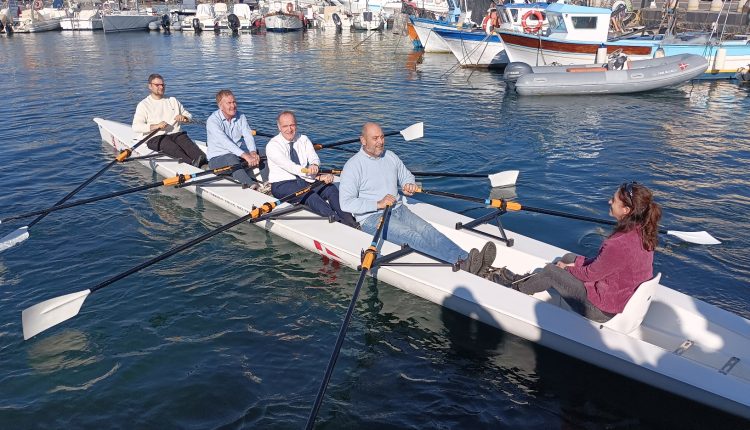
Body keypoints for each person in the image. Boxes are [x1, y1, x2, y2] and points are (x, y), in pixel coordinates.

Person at [489, 182, 662, 323]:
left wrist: (566, 269)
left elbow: (590, 275)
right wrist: (572, 263)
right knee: (568, 257)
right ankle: (527, 280)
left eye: (613, 200)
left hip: (601, 308)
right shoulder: (642, 231)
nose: (609, 201)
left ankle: (513, 289)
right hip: (619, 294)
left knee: (551, 271)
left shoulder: (618, 244)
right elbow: (604, 264)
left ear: (626, 210)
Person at [339, 122, 496, 275]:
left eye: (382, 137)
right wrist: (378, 203)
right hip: (373, 218)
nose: (380, 142)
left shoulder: (390, 156)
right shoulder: (353, 166)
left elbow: (406, 175)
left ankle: (467, 258)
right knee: (412, 236)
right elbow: (346, 203)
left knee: (428, 231)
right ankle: (459, 264)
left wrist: (409, 184)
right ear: (363, 140)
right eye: (375, 138)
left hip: (399, 209)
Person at [266, 111, 358, 227]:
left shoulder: (303, 139)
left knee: (330, 189)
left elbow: (314, 157)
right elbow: (291, 167)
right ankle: (337, 223)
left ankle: (351, 222)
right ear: (279, 127)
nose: (289, 129)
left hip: (304, 179)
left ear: (296, 125)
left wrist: (314, 165)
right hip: (282, 184)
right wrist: (317, 176)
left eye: (292, 125)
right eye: (285, 126)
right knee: (309, 194)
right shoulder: (273, 146)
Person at [132, 73, 207, 167]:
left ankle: (204, 163)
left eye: (163, 85)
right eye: (157, 85)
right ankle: (191, 165)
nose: (161, 87)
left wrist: (184, 118)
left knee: (195, 151)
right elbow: (136, 127)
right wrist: (156, 126)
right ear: (150, 86)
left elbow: (188, 115)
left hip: (176, 134)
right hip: (156, 137)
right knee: (173, 148)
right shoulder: (144, 105)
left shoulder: (172, 100)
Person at [206, 89, 261, 187]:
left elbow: (248, 135)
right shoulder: (212, 121)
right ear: (220, 106)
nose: (233, 106)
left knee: (263, 152)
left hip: (237, 156)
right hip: (217, 160)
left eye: (234, 102)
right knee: (230, 158)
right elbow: (225, 142)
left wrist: (252, 152)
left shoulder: (241, 116)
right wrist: (246, 156)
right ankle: (251, 185)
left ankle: (267, 183)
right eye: (229, 103)